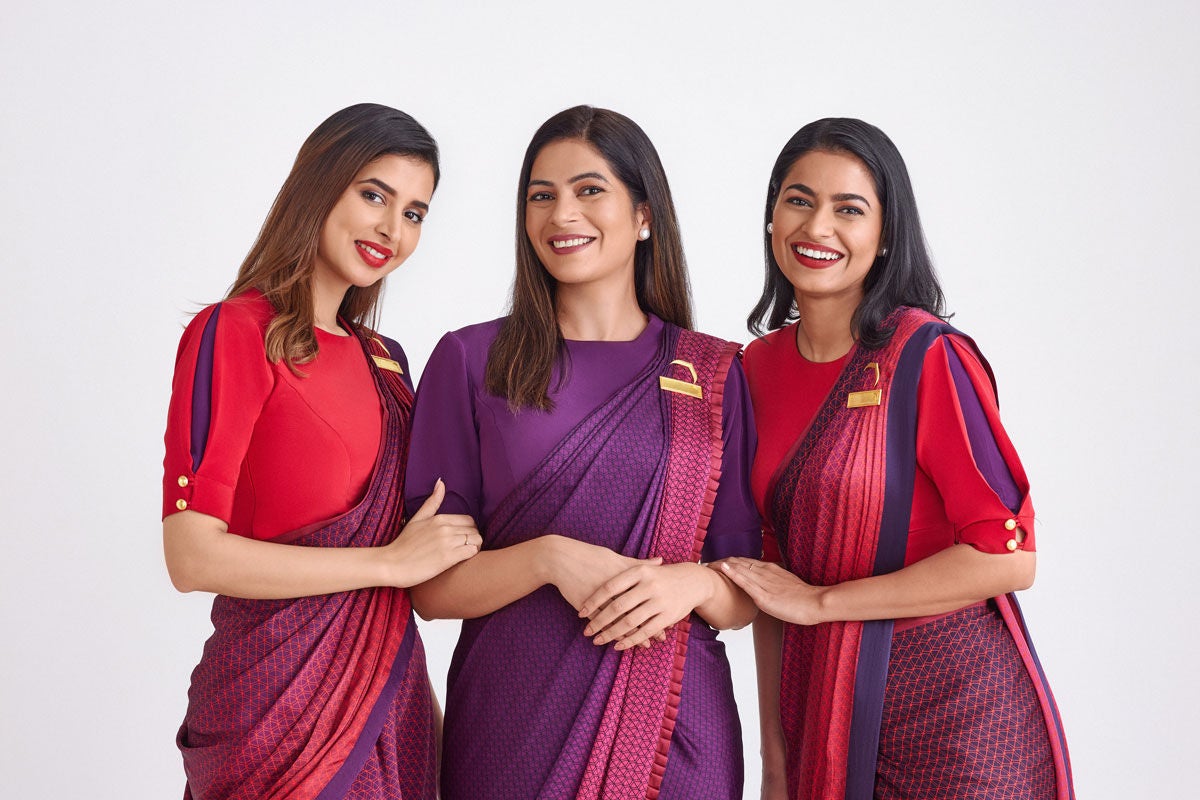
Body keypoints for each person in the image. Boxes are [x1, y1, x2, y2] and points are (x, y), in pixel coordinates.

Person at [404, 105, 760, 800]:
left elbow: (745, 587)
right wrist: (546, 559)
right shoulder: (472, 360)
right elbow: (431, 590)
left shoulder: (713, 372)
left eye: (589, 190)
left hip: (674, 726)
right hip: (513, 725)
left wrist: (695, 585)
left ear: (644, 215)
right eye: (541, 195)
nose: (561, 213)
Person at [719, 118, 1074, 800]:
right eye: (799, 200)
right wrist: (775, 758)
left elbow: (1007, 557)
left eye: (848, 209)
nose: (817, 226)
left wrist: (822, 602)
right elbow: (770, 582)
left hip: (958, 717)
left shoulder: (927, 356)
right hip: (824, 710)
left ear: (885, 235)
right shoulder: (755, 369)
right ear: (772, 216)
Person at [160, 103, 482, 800]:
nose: (392, 230)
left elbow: (396, 594)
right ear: (320, 185)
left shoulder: (388, 363)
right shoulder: (236, 332)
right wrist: (388, 563)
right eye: (374, 196)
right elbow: (191, 556)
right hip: (270, 711)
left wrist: (431, 731)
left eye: (414, 213)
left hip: (388, 702)